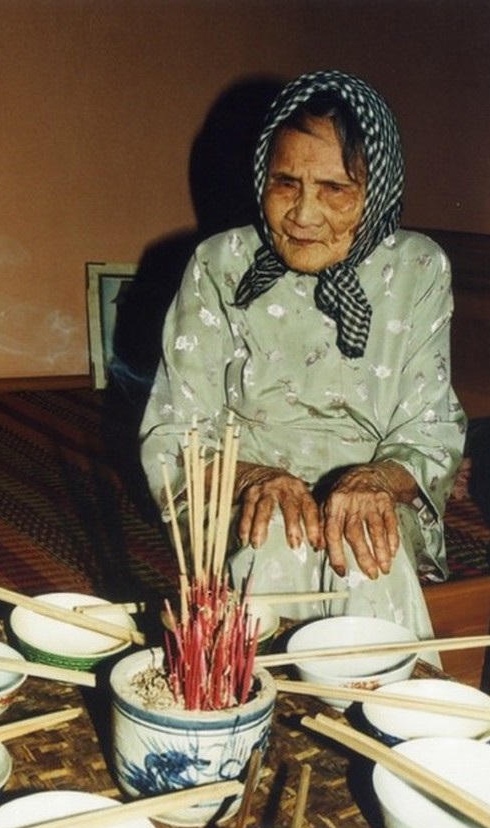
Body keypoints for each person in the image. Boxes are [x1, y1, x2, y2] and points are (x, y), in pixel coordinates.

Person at [139, 70, 466, 641]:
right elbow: (173, 436)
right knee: (275, 536)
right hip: (237, 487)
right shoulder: (220, 263)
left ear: (379, 189)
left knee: (367, 545)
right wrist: (255, 479)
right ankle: (247, 692)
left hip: (374, 490)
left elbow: (430, 430)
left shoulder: (418, 268)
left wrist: (375, 481)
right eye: (285, 183)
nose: (304, 213)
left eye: (336, 189)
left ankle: (383, 695)